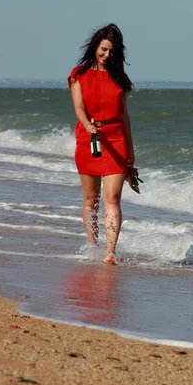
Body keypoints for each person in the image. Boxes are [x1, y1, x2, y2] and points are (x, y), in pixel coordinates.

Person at [68, 23, 135, 265]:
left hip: (116, 137)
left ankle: (110, 251)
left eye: (112, 52)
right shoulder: (79, 74)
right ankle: (93, 246)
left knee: (113, 197)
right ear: (95, 47)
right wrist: (87, 124)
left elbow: (125, 116)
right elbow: (78, 107)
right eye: (104, 50)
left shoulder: (120, 78)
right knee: (90, 199)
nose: (107, 55)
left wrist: (131, 152)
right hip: (89, 138)